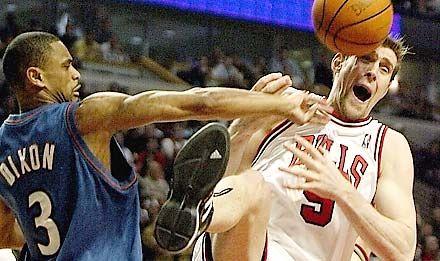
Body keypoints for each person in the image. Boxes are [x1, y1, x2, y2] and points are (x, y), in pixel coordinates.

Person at [0, 31, 330, 260]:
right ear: (36, 76)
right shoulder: (85, 117)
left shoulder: (3, 143)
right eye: (66, 65)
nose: (76, 75)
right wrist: (280, 106)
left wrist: (56, 231)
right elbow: (196, 104)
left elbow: (4, 235)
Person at [160, 35, 417, 261]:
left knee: (253, 186)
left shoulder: (388, 145)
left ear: (385, 88)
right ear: (338, 63)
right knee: (253, 186)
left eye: (384, 69)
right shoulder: (287, 107)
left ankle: (199, 212)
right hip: (244, 247)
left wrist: (341, 190)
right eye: (365, 59)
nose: (373, 72)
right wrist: (242, 128)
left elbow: (402, 250)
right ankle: (197, 213)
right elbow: (225, 178)